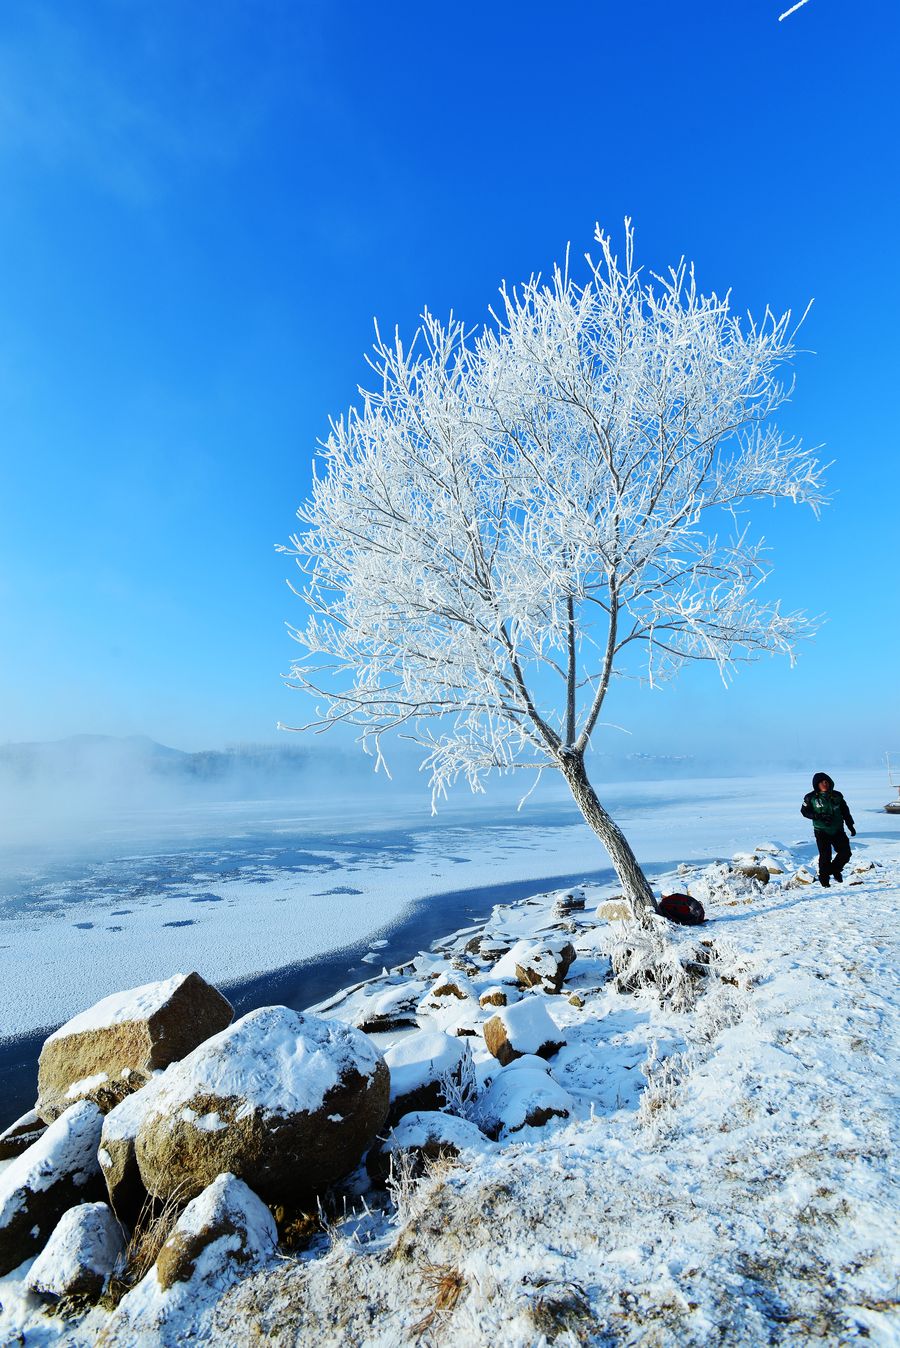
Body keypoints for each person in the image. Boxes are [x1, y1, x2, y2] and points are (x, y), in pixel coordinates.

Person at [800, 772, 856, 887]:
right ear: (817, 785)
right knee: (825, 856)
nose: (825, 784)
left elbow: (845, 811)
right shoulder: (810, 797)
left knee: (845, 853)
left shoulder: (837, 795)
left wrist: (850, 824)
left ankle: (835, 870)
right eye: (821, 783)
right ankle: (824, 877)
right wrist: (818, 816)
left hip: (838, 829)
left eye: (826, 782)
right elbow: (804, 811)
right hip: (821, 831)